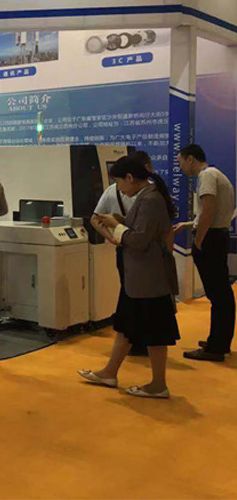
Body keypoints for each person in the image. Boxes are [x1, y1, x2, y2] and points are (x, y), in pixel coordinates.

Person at [78, 156, 179, 398]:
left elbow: (140, 239)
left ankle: (158, 384)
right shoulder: (147, 197)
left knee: (155, 333)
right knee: (125, 326)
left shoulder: (150, 200)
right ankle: (109, 372)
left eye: (119, 183)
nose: (119, 190)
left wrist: (117, 226)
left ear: (130, 178)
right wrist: (121, 222)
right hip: (138, 278)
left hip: (149, 279)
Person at [90, 150, 158, 357]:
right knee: (135, 299)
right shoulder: (152, 193)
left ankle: (134, 342)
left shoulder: (149, 197)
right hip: (142, 254)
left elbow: (96, 219)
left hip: (133, 251)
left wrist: (114, 236)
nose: (120, 188)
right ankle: (136, 342)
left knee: (133, 298)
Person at [175, 144, 236, 361]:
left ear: (191, 159)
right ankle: (218, 341)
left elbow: (208, 210)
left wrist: (199, 240)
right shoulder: (216, 174)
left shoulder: (207, 176)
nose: (181, 167)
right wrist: (189, 224)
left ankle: (216, 348)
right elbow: (212, 212)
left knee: (218, 294)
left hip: (211, 239)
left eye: (181, 162)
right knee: (220, 294)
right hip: (217, 236)